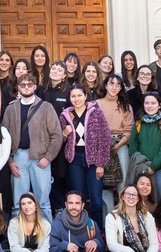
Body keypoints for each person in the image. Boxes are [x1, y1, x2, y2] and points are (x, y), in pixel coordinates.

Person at [1, 75, 62, 218]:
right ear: (18, 87)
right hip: (18, 158)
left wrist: (48, 158)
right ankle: (19, 238)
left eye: (30, 84)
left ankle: (46, 239)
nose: (26, 87)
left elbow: (57, 135)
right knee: (18, 203)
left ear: (35, 87)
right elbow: (4, 137)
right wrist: (10, 161)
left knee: (43, 203)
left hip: (40, 159)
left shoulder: (46, 107)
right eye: (23, 85)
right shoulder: (11, 108)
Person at [60, 86, 109, 227]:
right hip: (75, 160)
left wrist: (101, 164)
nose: (77, 99)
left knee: (96, 201)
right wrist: (65, 134)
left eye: (79, 95)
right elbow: (60, 140)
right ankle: (80, 231)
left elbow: (105, 138)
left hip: (93, 161)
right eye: (73, 96)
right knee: (78, 200)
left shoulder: (95, 112)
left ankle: (97, 232)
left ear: (86, 96)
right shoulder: (65, 115)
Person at [96, 75, 133, 212]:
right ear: (106, 85)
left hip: (120, 144)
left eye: (118, 85)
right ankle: (108, 218)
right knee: (104, 183)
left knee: (122, 180)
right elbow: (94, 127)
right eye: (111, 84)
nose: (114, 87)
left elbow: (129, 129)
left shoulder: (126, 106)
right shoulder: (97, 104)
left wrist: (119, 144)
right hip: (101, 144)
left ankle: (124, 214)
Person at [129, 94, 161, 197]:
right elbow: (133, 147)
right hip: (142, 168)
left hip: (160, 169)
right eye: (147, 103)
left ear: (159, 105)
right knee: (143, 199)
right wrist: (141, 165)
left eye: (153, 103)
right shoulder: (138, 124)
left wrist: (153, 166)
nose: (150, 106)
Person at [104, 183, 156, 252]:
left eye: (134, 194)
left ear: (138, 199)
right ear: (122, 197)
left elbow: (154, 244)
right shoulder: (112, 217)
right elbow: (111, 244)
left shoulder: (147, 216)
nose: (131, 197)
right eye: (128, 194)